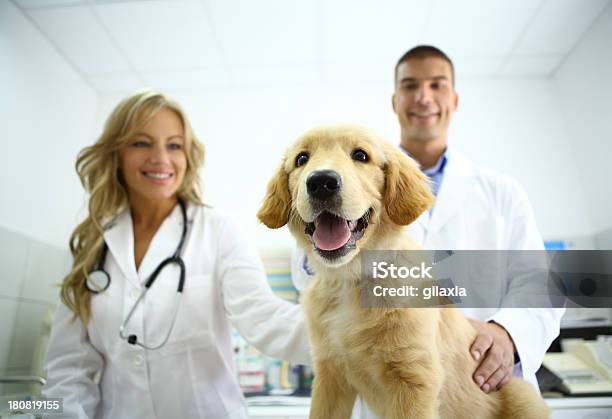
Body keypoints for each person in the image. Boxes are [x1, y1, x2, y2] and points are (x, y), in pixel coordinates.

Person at [292, 45, 564, 417]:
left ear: (453, 98)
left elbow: (540, 283)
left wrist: (508, 332)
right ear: (395, 100)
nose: (423, 97)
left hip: (486, 394)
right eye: (410, 85)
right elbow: (309, 267)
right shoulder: (338, 183)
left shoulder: (501, 192)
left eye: (437, 85)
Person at [42, 89, 310, 418]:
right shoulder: (93, 245)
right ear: (116, 153)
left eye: (174, 145)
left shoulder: (218, 231)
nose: (161, 159)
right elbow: (67, 371)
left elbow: (265, 319)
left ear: (187, 156)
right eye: (141, 143)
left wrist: (362, 333)